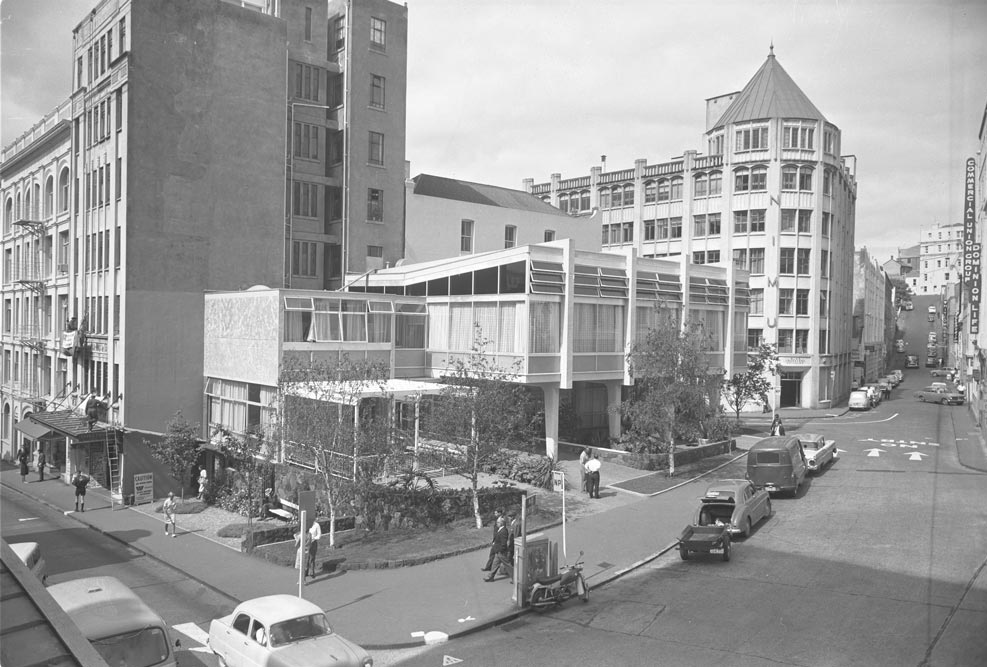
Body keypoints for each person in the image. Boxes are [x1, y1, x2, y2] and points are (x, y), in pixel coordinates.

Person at [484, 516, 513, 582]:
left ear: (501, 523)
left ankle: (515, 579)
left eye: (498, 522)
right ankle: (490, 577)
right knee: (495, 564)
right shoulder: (500, 529)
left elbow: (503, 543)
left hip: (501, 552)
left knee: (508, 565)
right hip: (498, 551)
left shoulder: (503, 531)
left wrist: (501, 550)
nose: (497, 523)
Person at [480, 508, 504, 572]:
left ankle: (506, 569)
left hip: (499, 541)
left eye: (496, 513)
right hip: (495, 540)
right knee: (492, 554)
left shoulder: (502, 520)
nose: (495, 514)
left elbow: (501, 531)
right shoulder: (497, 519)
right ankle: (488, 567)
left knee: (501, 557)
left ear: (500, 513)